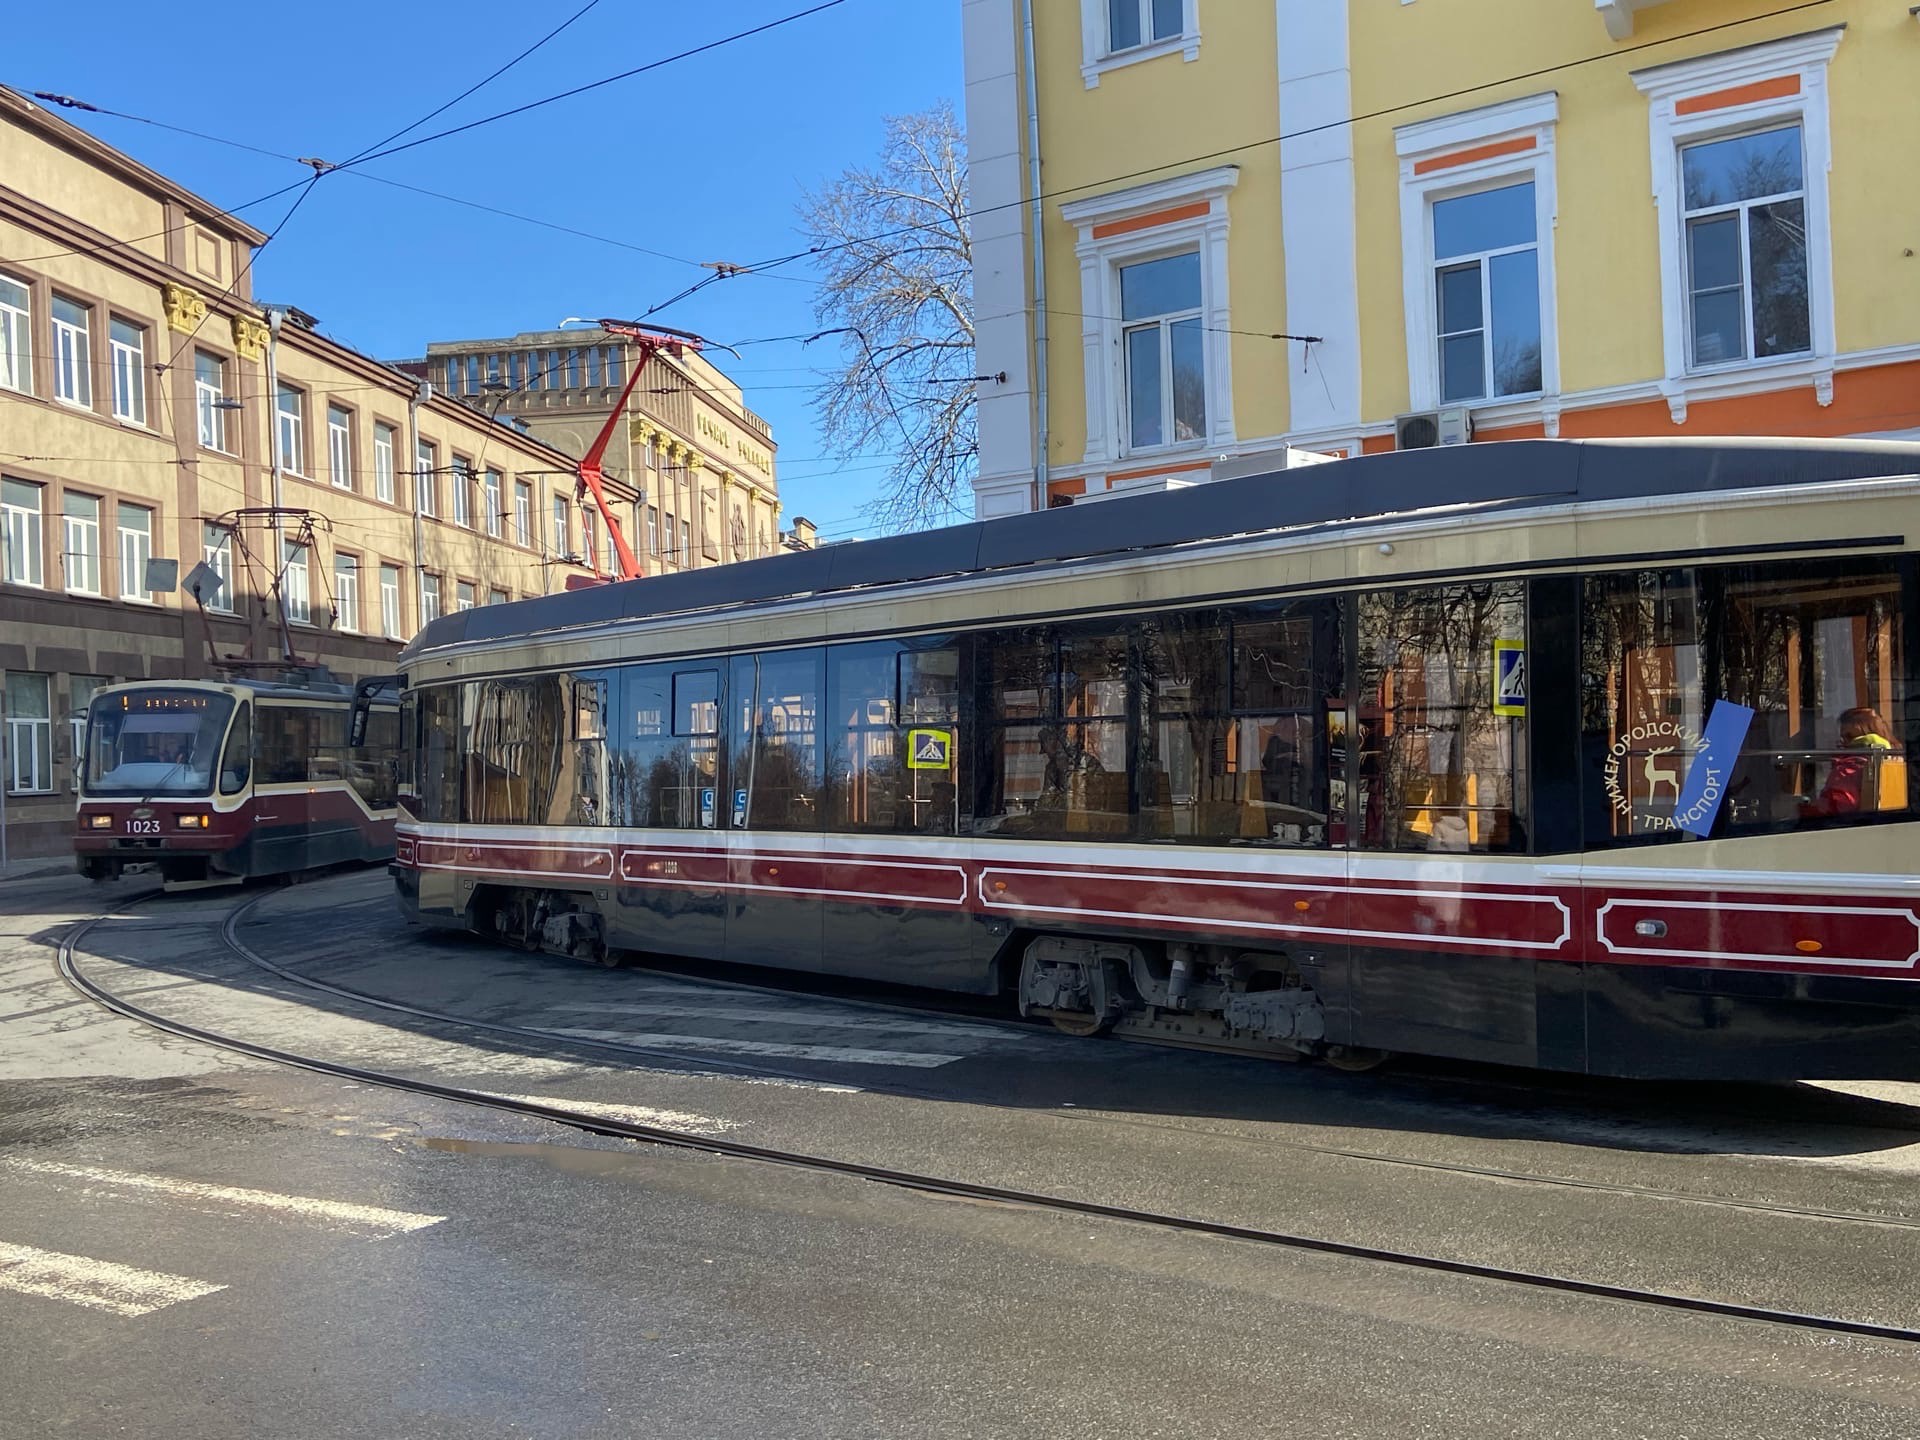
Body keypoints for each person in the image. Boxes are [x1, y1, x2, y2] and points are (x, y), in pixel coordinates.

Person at [1809, 707, 1895, 816]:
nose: (1843, 743)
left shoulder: (1846, 771)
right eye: (1842, 737)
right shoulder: (1896, 760)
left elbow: (1837, 809)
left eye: (1849, 737)